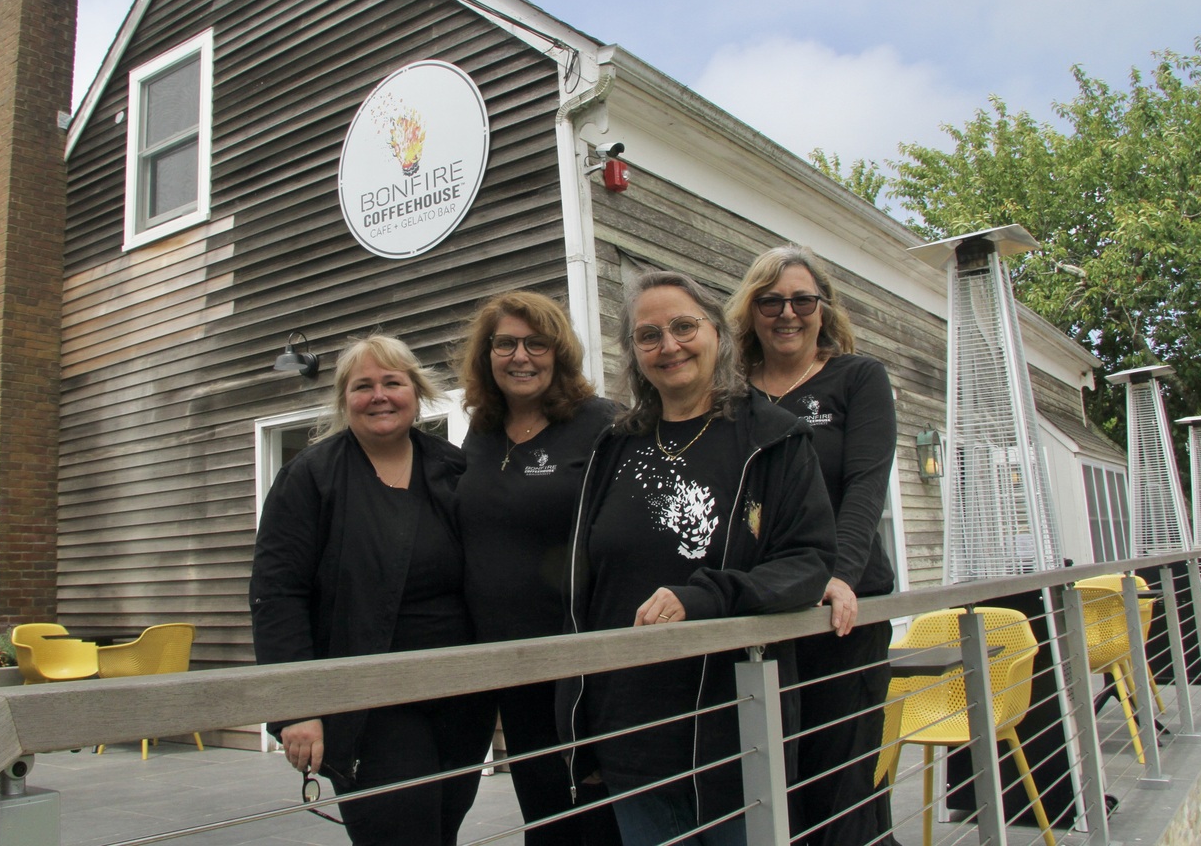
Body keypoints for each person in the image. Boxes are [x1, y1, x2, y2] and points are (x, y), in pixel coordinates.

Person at [559, 270, 836, 846]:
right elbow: (587, 587)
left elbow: (806, 562)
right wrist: (580, 724)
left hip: (733, 730)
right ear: (634, 354)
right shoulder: (615, 444)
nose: (669, 346)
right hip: (630, 731)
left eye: (684, 326)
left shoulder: (773, 438)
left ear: (718, 333)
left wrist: (705, 596)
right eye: (649, 335)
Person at [249, 335, 494, 846]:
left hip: (459, 694)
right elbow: (277, 596)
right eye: (363, 386)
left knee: (443, 827)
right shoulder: (309, 479)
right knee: (399, 830)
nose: (379, 395)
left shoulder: (451, 467)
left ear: (416, 390)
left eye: (392, 382)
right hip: (367, 698)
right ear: (344, 400)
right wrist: (297, 706)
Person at [727, 245, 898, 846]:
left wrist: (838, 574)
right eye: (769, 301)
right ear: (750, 311)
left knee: (840, 772)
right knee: (773, 770)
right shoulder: (732, 395)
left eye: (802, 300)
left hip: (840, 607)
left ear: (823, 308)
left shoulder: (858, 377)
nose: (787, 313)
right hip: (765, 605)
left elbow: (864, 485)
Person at [455, 291, 623, 846]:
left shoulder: (601, 424)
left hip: (582, 662)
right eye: (505, 343)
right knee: (544, 813)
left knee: (595, 815)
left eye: (536, 343)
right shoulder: (481, 429)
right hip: (511, 664)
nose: (520, 356)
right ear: (487, 355)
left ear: (559, 353)